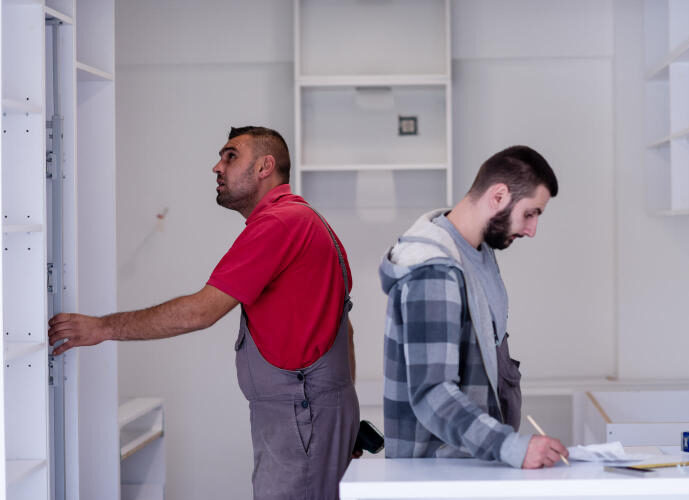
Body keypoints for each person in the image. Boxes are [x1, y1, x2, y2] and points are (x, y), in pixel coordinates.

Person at [48, 126, 360, 500]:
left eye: (231, 156)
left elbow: (200, 311)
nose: (217, 167)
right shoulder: (305, 218)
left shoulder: (279, 224)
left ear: (265, 166)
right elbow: (346, 330)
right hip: (316, 410)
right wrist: (342, 413)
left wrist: (102, 327)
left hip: (302, 414)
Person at [379, 145, 568, 469]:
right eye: (530, 213)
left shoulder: (477, 254)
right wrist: (512, 447)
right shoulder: (434, 269)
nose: (531, 230)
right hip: (434, 476)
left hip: (469, 465)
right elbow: (433, 394)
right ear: (498, 196)